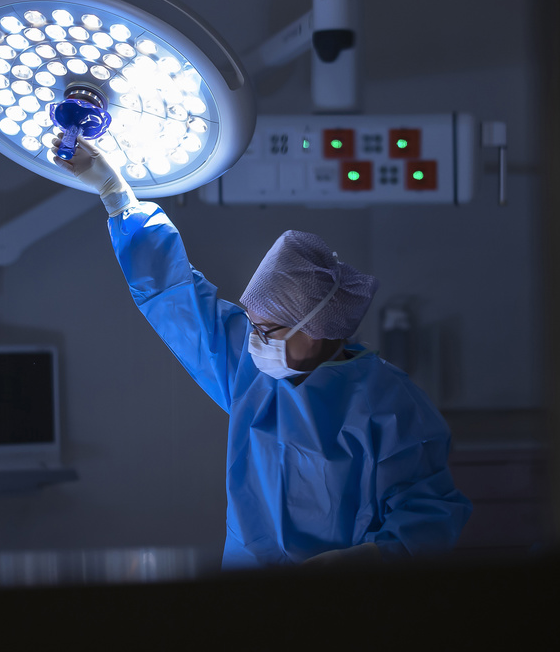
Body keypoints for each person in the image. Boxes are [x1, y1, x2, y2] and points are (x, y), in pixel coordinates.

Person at [50, 133, 472, 570]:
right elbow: (173, 294)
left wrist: (365, 559)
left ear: (320, 330)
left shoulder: (390, 406)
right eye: (252, 324)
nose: (254, 339)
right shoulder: (249, 369)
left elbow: (428, 514)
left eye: (268, 329)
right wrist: (115, 193)